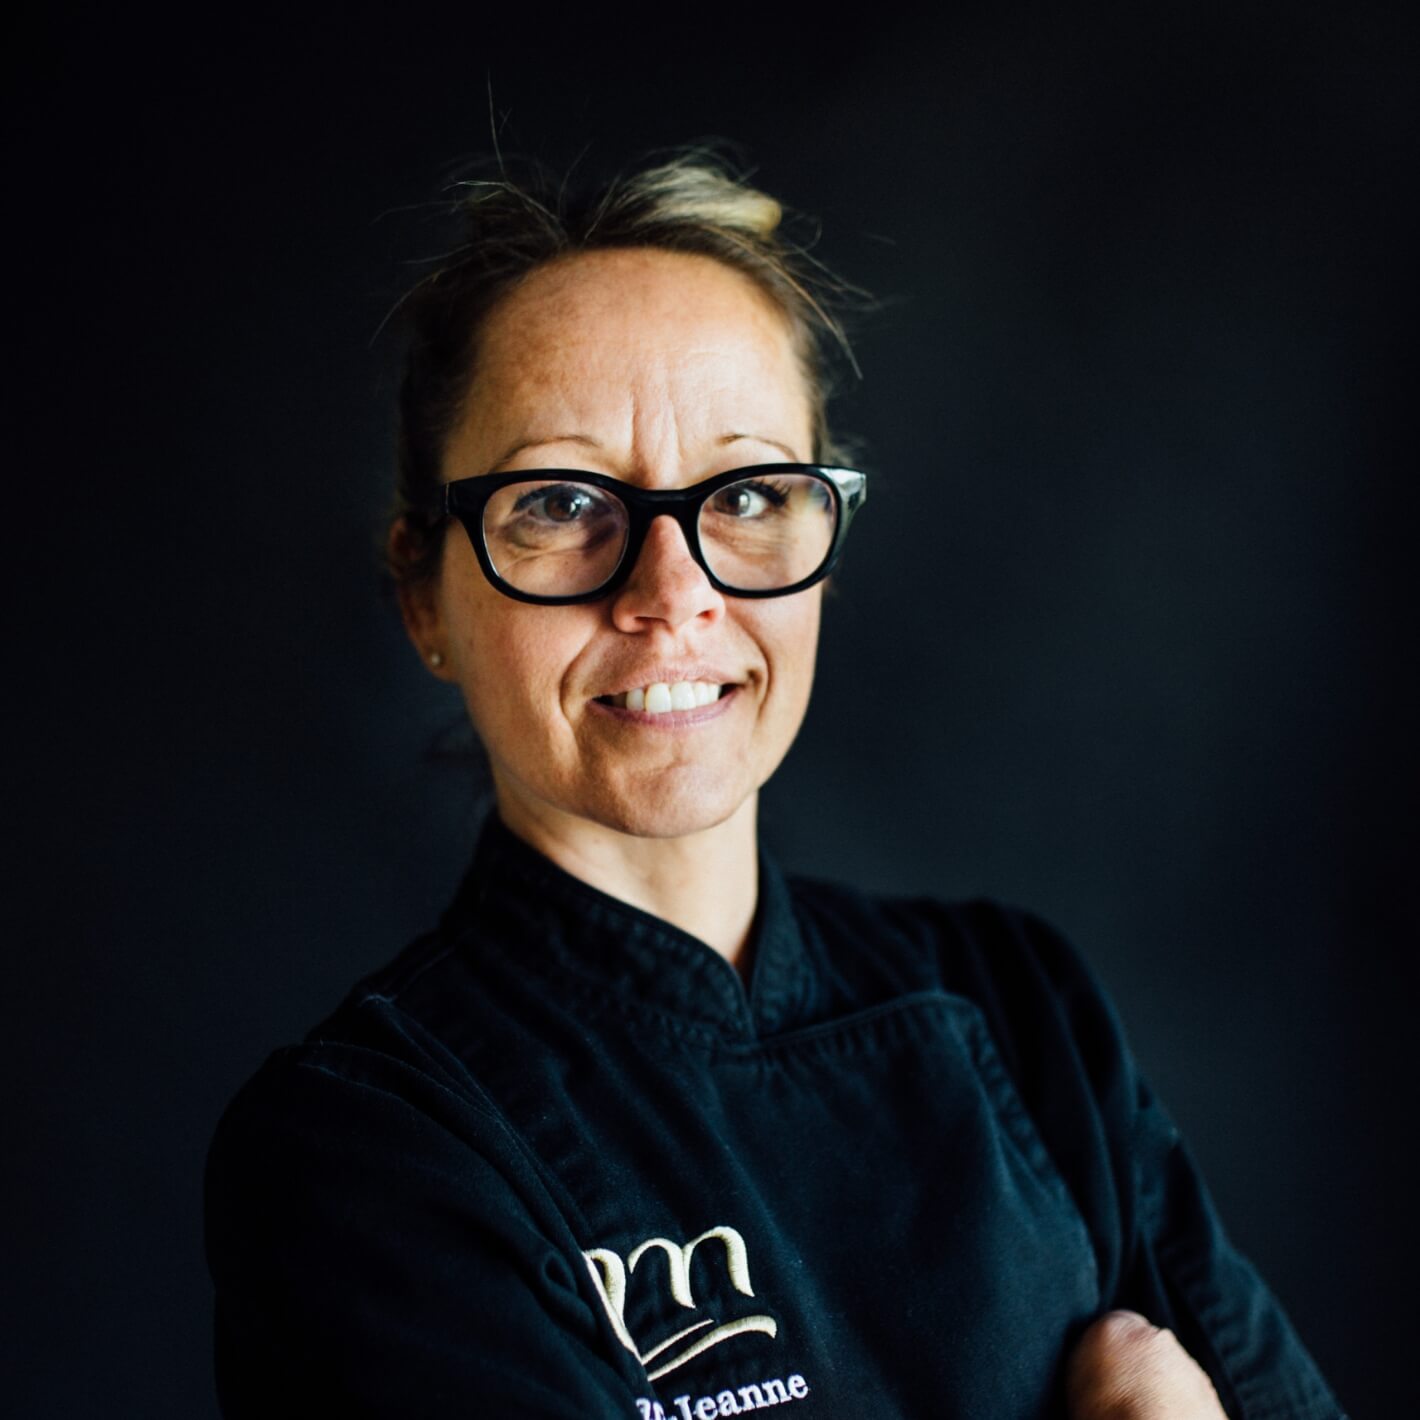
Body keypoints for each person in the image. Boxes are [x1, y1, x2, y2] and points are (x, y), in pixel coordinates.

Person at [203, 152, 1344, 1420]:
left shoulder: (1020, 1005)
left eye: (747, 494)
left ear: (821, 542)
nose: (671, 593)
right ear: (425, 595)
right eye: (563, 502)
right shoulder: (364, 1149)